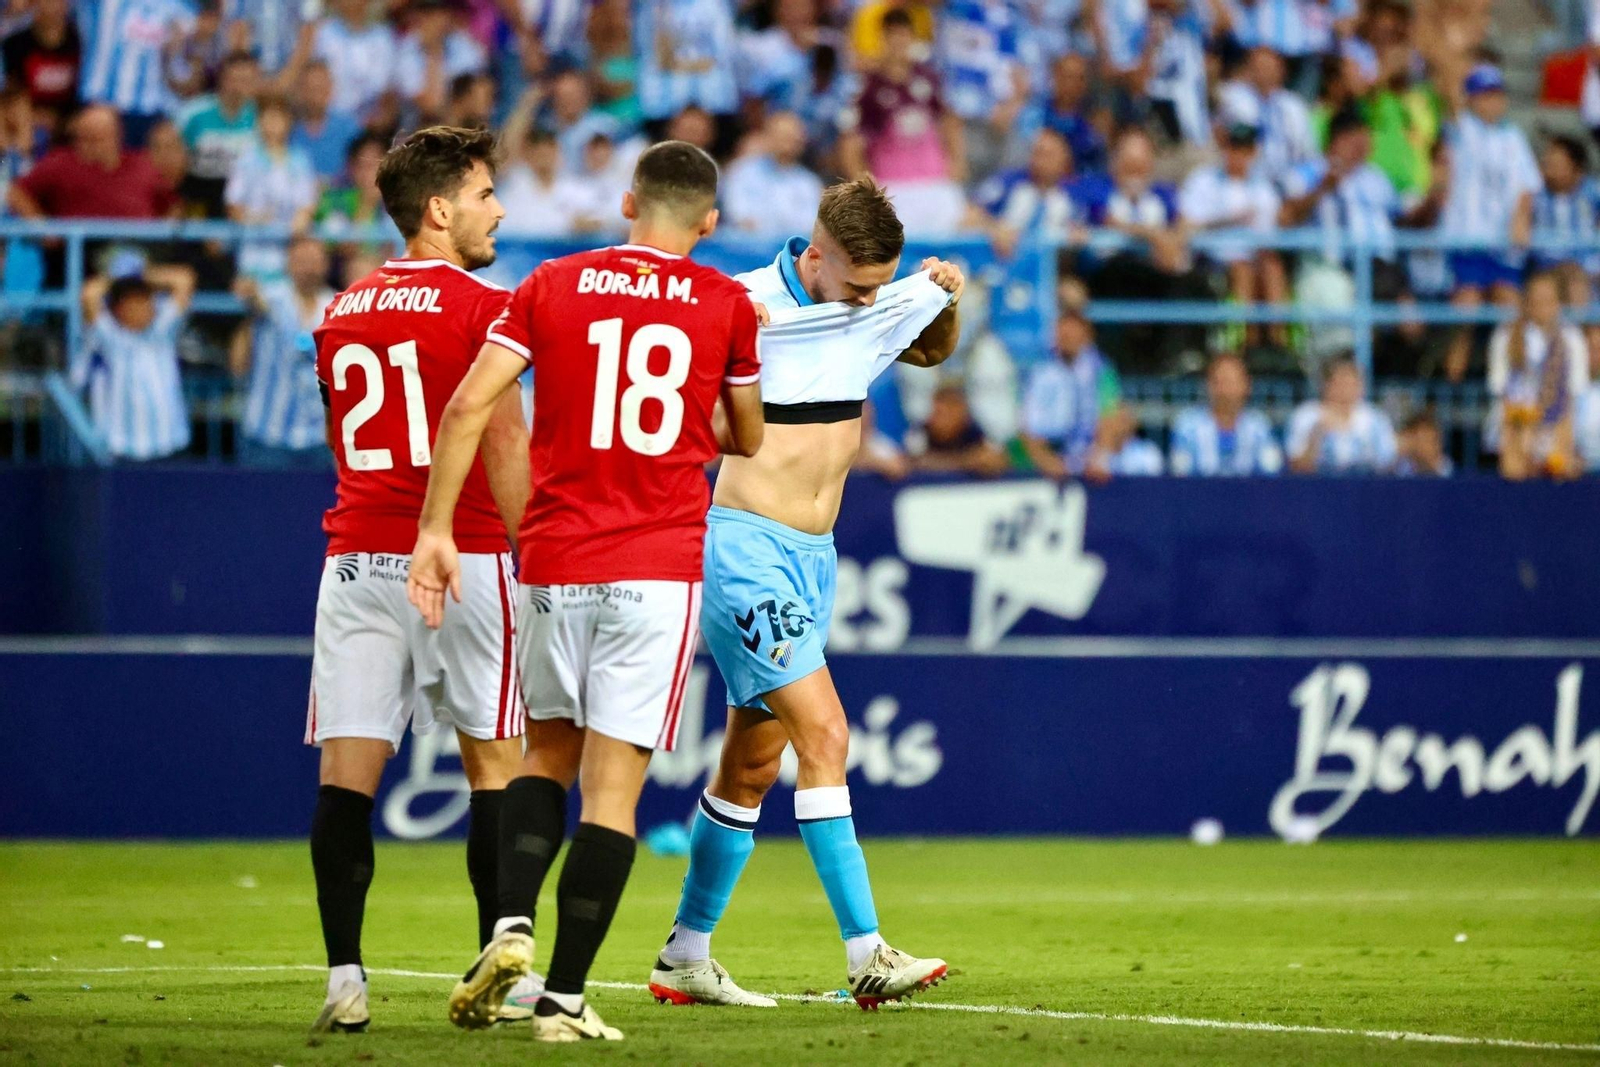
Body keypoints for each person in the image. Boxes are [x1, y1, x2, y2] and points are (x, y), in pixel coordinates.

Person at [407, 140, 765, 1042]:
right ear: (709, 223)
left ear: (626, 201)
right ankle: (564, 997)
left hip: (557, 559)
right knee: (613, 794)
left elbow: (467, 407)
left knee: (545, 760)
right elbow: (747, 436)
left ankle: (509, 925)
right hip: (654, 566)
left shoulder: (550, 284)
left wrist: (438, 527)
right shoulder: (725, 303)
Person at [646, 178, 960, 1011]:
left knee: (751, 766)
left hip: (813, 556)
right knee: (825, 731)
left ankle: (685, 953)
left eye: (878, 287)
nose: (868, 302)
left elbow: (927, 347)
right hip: (744, 547)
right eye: (857, 286)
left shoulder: (869, 300)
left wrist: (941, 296)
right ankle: (866, 950)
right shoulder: (739, 303)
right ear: (813, 255)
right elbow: (667, 391)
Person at [302, 125, 532, 1034]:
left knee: (345, 776)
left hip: (356, 556)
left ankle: (344, 980)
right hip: (464, 554)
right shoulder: (485, 308)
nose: (498, 208)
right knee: (496, 769)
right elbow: (506, 445)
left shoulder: (340, 310)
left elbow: (339, 442)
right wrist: (536, 560)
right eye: (483, 193)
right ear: (438, 211)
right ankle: (496, 969)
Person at [1440, 64, 1541, 382]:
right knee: (1466, 308)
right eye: (1485, 95)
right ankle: (1449, 382)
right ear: (1471, 99)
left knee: (1511, 307)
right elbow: (1447, 90)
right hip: (1468, 240)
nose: (1493, 102)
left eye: (1497, 95)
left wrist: (1521, 218)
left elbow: (1528, 186)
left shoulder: (1513, 137)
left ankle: (1514, 381)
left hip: (1503, 246)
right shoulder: (1462, 130)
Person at [838, 8, 969, 236]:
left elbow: (950, 122)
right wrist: (867, 189)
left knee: (964, 230)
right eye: (892, 35)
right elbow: (850, 143)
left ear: (912, 38)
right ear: (882, 39)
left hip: (934, 182)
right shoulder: (867, 89)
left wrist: (957, 163)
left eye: (903, 35)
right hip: (892, 187)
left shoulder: (929, 80)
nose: (899, 42)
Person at [71, 263, 196, 461]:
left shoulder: (163, 330)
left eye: (146, 299)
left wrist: (140, 273)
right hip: (124, 451)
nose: (145, 306)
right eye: (135, 300)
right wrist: (119, 275)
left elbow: (184, 279)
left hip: (170, 445)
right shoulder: (109, 336)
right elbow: (89, 293)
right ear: (119, 308)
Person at [1178, 121, 1286, 348]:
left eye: (1245, 149)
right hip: (1213, 259)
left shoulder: (1264, 189)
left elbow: (1270, 236)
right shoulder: (1202, 181)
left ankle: (1278, 342)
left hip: (1255, 258)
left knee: (1271, 266)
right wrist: (1228, 221)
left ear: (1254, 152)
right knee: (1242, 268)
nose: (1238, 155)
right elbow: (1186, 227)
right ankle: (1246, 343)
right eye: (1233, 147)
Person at [231, 236, 334, 467]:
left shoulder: (339, 306)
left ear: (326, 264)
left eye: (314, 260)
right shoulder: (269, 297)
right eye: (301, 260)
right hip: (267, 434)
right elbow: (238, 363)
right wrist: (249, 302)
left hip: (319, 439)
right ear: (288, 264)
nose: (308, 268)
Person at [1487, 272, 1588, 480]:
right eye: (1536, 300)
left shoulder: (1572, 339)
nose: (1542, 306)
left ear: (1559, 303)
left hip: (1557, 426)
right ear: (1526, 302)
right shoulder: (1506, 335)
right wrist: (1521, 443)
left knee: (1563, 465)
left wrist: (1561, 446)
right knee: (1514, 468)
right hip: (1514, 427)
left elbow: (1572, 396)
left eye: (1548, 300)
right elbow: (1501, 392)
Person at [225, 95, 318, 279]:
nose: (272, 124)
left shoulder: (300, 160)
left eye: (278, 118)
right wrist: (254, 219)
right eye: (267, 117)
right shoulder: (246, 159)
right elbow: (233, 206)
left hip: (290, 251)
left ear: (288, 122)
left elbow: (308, 204)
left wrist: (299, 222)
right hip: (253, 250)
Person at [1020, 310, 1116, 477]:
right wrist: (1046, 459)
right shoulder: (1036, 369)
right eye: (1063, 334)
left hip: (1088, 448)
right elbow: (1023, 422)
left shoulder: (1100, 369)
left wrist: (1098, 457)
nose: (1067, 339)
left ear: (1086, 337)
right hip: (1046, 446)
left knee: (1123, 418)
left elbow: (1110, 414)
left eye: (1072, 335)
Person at [1169, 351, 1283, 475]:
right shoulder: (1188, 425)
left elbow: (1271, 471)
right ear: (1209, 386)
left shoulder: (1258, 425)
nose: (1226, 390)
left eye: (1233, 382)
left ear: (1247, 385)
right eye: (1220, 382)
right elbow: (1180, 473)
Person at [179, 50, 260, 218]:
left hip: (243, 201)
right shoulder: (193, 113)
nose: (239, 87)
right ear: (222, 80)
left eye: (246, 81)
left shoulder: (260, 117)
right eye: (234, 80)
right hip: (199, 195)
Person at [1286, 355, 1398, 473]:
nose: (1346, 391)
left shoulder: (1375, 418)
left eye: (1352, 384)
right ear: (1326, 385)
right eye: (1340, 383)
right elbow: (1296, 466)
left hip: (1365, 487)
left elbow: (1389, 464)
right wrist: (1317, 434)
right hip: (1318, 486)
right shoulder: (1306, 415)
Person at [721, 111, 824, 235]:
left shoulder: (809, 183)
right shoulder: (742, 171)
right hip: (747, 247)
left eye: (792, 138)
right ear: (767, 137)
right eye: (782, 136)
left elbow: (811, 226)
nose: (787, 143)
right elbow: (738, 215)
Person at [1, 0, 80, 137]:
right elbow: (12, 91)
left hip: (68, 119)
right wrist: (32, 115)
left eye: (58, 2)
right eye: (46, 2)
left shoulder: (79, 41)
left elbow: (83, 92)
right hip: (26, 117)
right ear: (34, 5)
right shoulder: (15, 44)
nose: (52, 7)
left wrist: (61, 120)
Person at [907, 381, 1011, 475]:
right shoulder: (921, 431)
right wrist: (966, 461)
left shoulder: (973, 431)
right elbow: (915, 462)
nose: (934, 419)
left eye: (942, 414)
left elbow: (996, 459)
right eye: (935, 412)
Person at [291, 60, 363, 185]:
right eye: (310, 89)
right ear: (300, 92)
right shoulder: (290, 131)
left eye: (321, 88)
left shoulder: (349, 128)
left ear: (330, 88)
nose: (316, 95)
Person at [1083, 404, 1164, 479]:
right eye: (1116, 420)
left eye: (1124, 420)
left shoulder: (1148, 451)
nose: (1120, 427)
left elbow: (1153, 484)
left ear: (1134, 424)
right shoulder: (1098, 450)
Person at [1394, 409, 1453, 476]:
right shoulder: (1397, 466)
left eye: (1433, 441)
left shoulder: (1447, 469)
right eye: (1425, 440)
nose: (1434, 447)